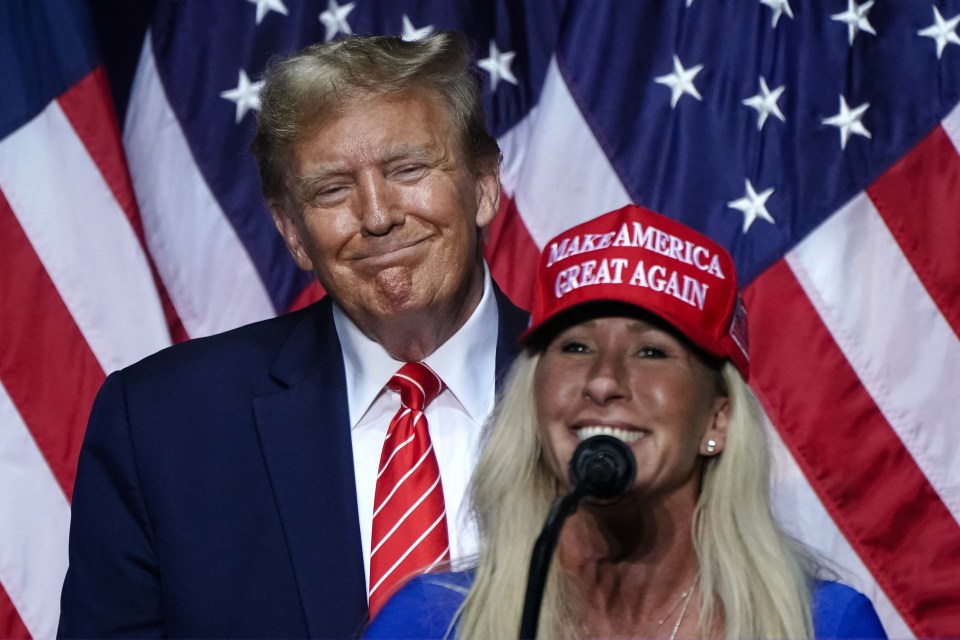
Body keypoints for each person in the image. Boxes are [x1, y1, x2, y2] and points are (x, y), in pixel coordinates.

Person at [58, 32, 528, 639]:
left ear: (484, 185)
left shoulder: (595, 396)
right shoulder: (162, 425)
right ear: (292, 232)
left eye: (408, 169)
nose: (378, 215)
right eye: (332, 189)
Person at [364, 204, 887, 639]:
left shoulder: (822, 626)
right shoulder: (428, 624)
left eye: (651, 352)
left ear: (718, 417)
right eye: (576, 346)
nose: (603, 380)